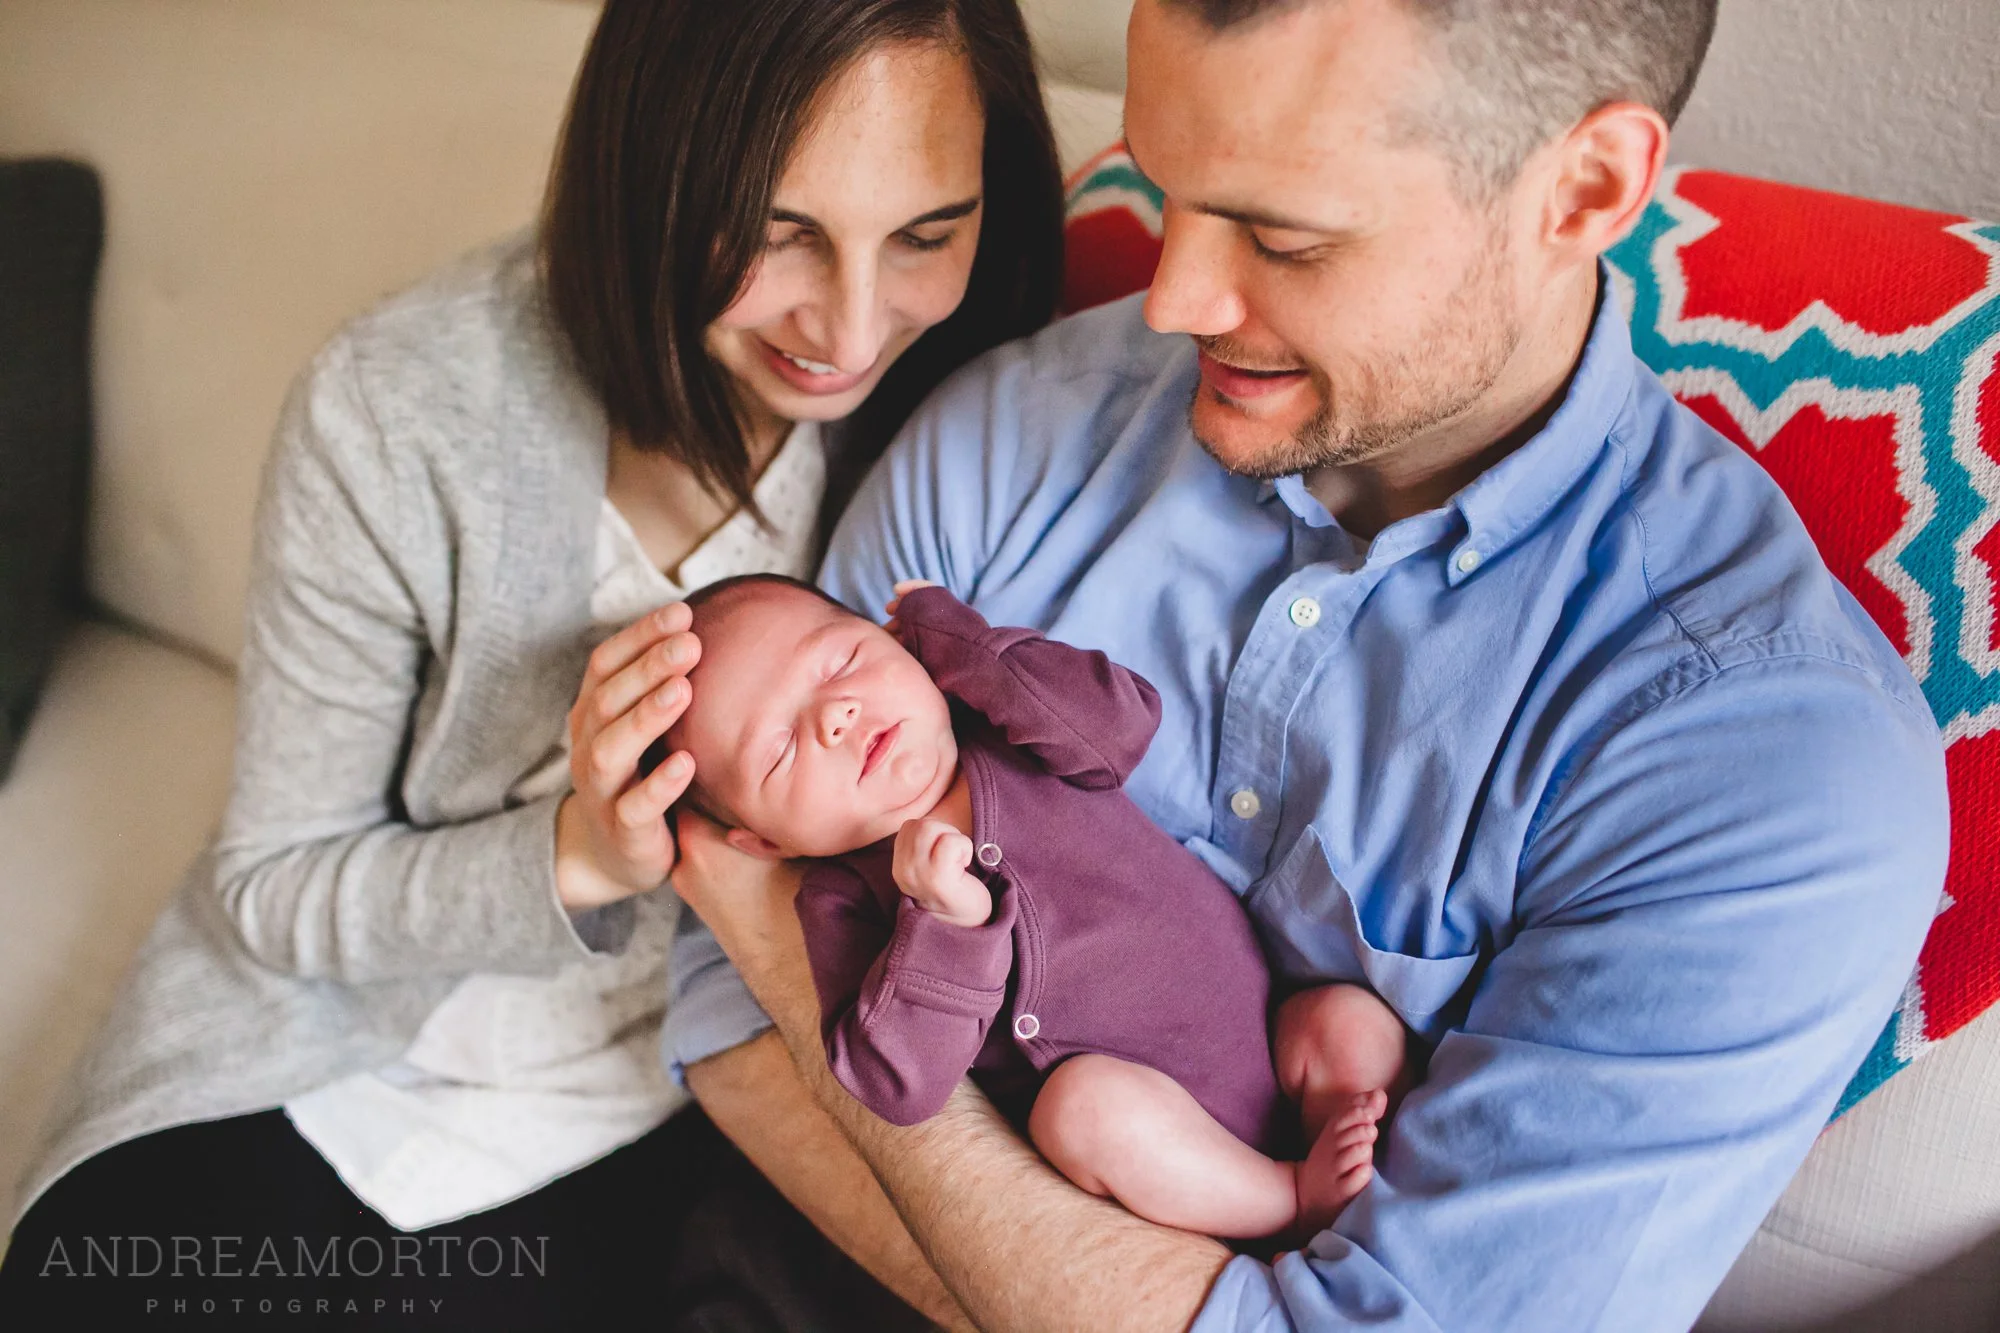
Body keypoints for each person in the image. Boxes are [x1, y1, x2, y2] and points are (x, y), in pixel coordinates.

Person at [665, 0, 1953, 1329]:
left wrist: (777, 943)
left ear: (1580, 190)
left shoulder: (1765, 766)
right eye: (1167, 194)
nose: (1170, 299)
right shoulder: (1010, 441)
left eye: (1284, 236)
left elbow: (754, 935)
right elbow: (719, 1011)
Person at [0, 0, 1061, 1327]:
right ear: (649, 171)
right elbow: (275, 881)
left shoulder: (964, 419)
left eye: (926, 233)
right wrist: (578, 852)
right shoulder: (402, 410)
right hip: (326, 1064)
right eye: (782, 233)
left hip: (685, 1111)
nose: (851, 326)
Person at [662, 573, 1405, 1239]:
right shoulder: (844, 897)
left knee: (1350, 1021)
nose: (835, 715)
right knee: (1079, 1110)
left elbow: (1125, 722)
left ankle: (1389, 1189)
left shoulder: (1008, 721)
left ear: (893, 639)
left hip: (1271, 1040)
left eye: (843, 661)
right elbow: (893, 1083)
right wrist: (943, 923)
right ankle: (1286, 1200)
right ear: (762, 841)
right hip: (1157, 1145)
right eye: (781, 750)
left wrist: (963, 644)